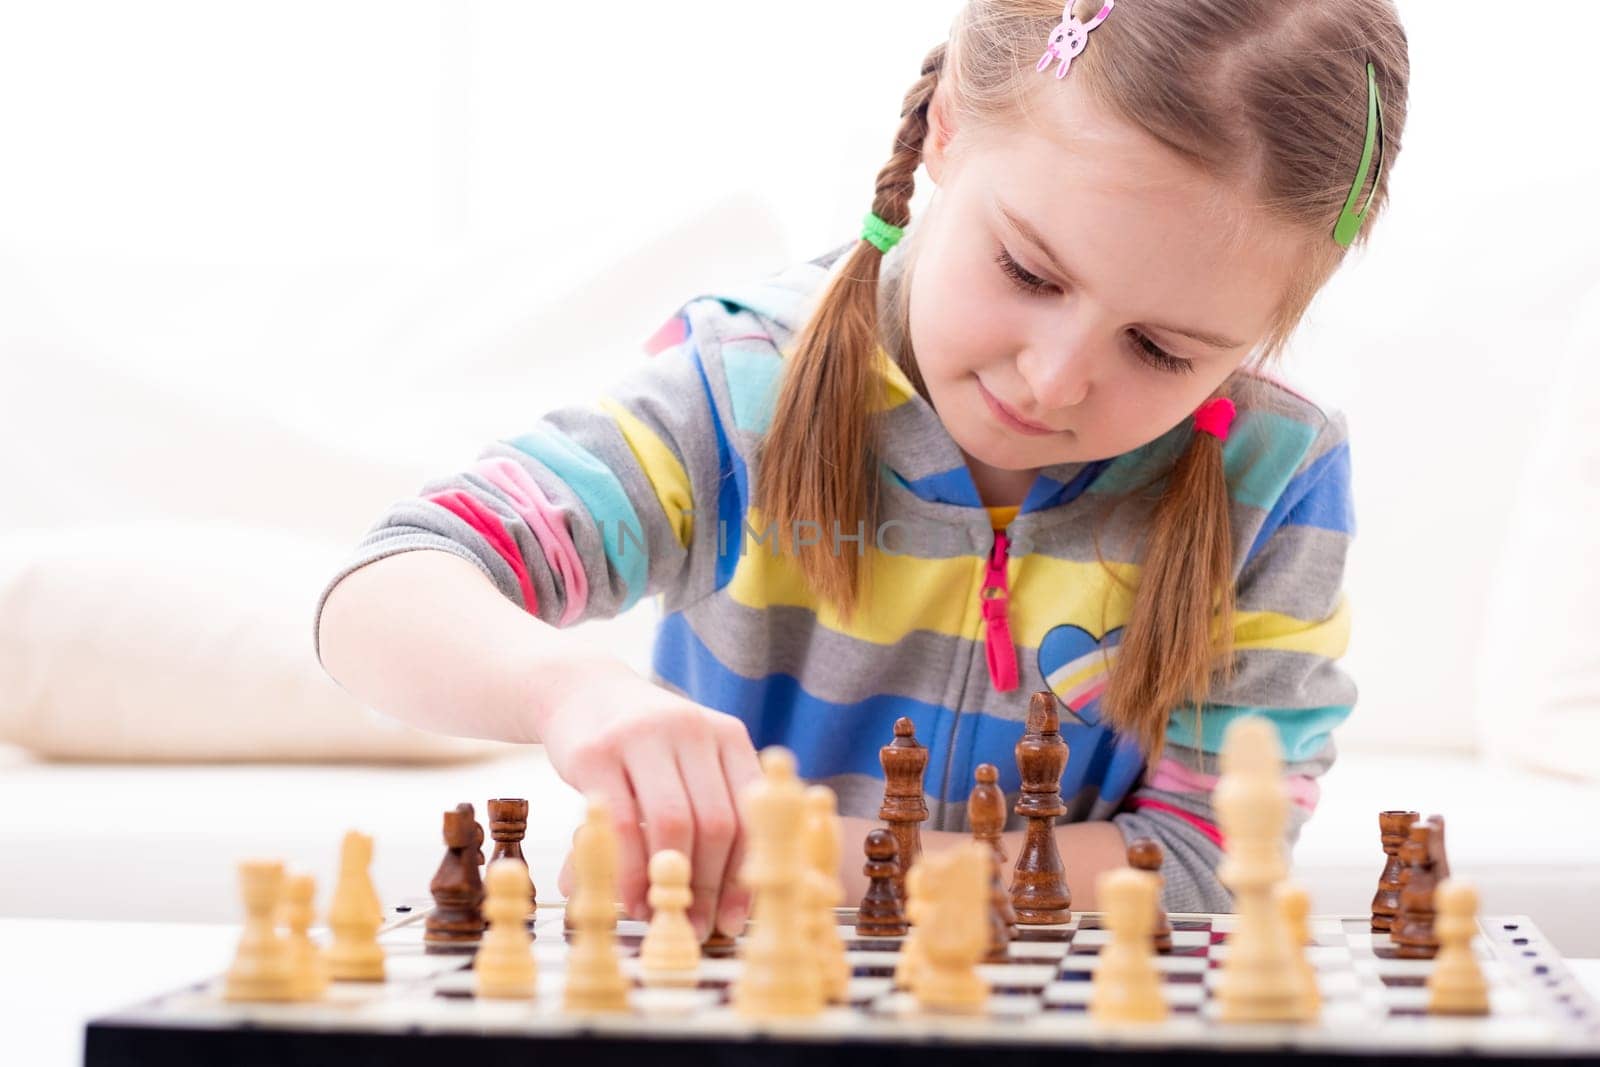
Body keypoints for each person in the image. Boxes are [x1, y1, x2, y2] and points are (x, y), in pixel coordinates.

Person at [315, 0, 1409, 942]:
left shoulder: (1274, 481)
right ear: (944, 131)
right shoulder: (744, 392)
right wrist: (570, 687)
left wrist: (791, 850)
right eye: (1027, 269)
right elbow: (389, 583)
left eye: (1163, 350)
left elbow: (1208, 864)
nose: (1055, 377)